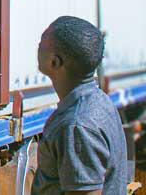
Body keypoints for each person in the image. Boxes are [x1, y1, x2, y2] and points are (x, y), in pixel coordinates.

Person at [32, 16, 128, 195]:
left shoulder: (77, 125)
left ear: (55, 62)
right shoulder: (99, 100)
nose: (37, 46)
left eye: (41, 43)